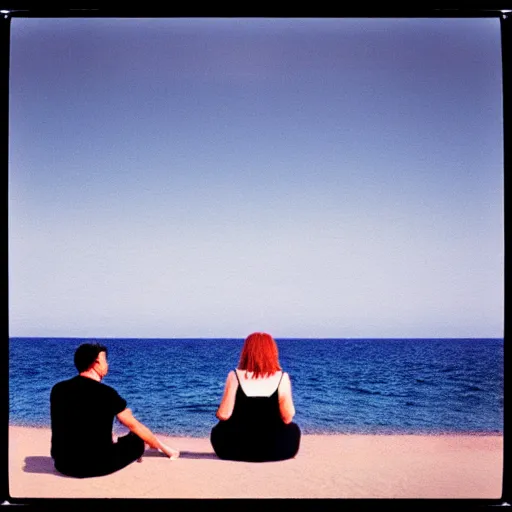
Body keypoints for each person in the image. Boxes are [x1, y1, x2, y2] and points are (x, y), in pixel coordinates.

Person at [50, 342, 179, 478]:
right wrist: (166, 449)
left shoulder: (58, 389)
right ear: (95, 363)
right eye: (105, 360)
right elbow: (134, 425)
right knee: (138, 438)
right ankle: (161, 449)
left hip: (62, 464)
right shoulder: (107, 393)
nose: (108, 365)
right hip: (93, 466)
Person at [210, 332, 301, 462]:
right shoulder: (282, 377)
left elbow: (224, 415)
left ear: (246, 352)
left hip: (235, 450)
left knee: (217, 430)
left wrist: (218, 412)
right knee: (294, 428)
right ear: (272, 352)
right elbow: (287, 417)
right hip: (275, 450)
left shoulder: (234, 376)